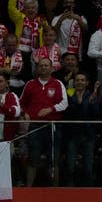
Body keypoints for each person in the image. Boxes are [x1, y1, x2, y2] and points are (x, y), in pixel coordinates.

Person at [19, 58, 68, 186]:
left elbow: (64, 103)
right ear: (37, 68)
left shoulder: (58, 83)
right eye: (41, 65)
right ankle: (29, 189)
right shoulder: (30, 84)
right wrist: (25, 113)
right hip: (35, 126)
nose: (44, 67)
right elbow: (21, 103)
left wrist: (50, 109)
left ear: (52, 68)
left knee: (53, 159)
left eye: (46, 65)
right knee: (33, 158)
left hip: (53, 126)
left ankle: (55, 191)